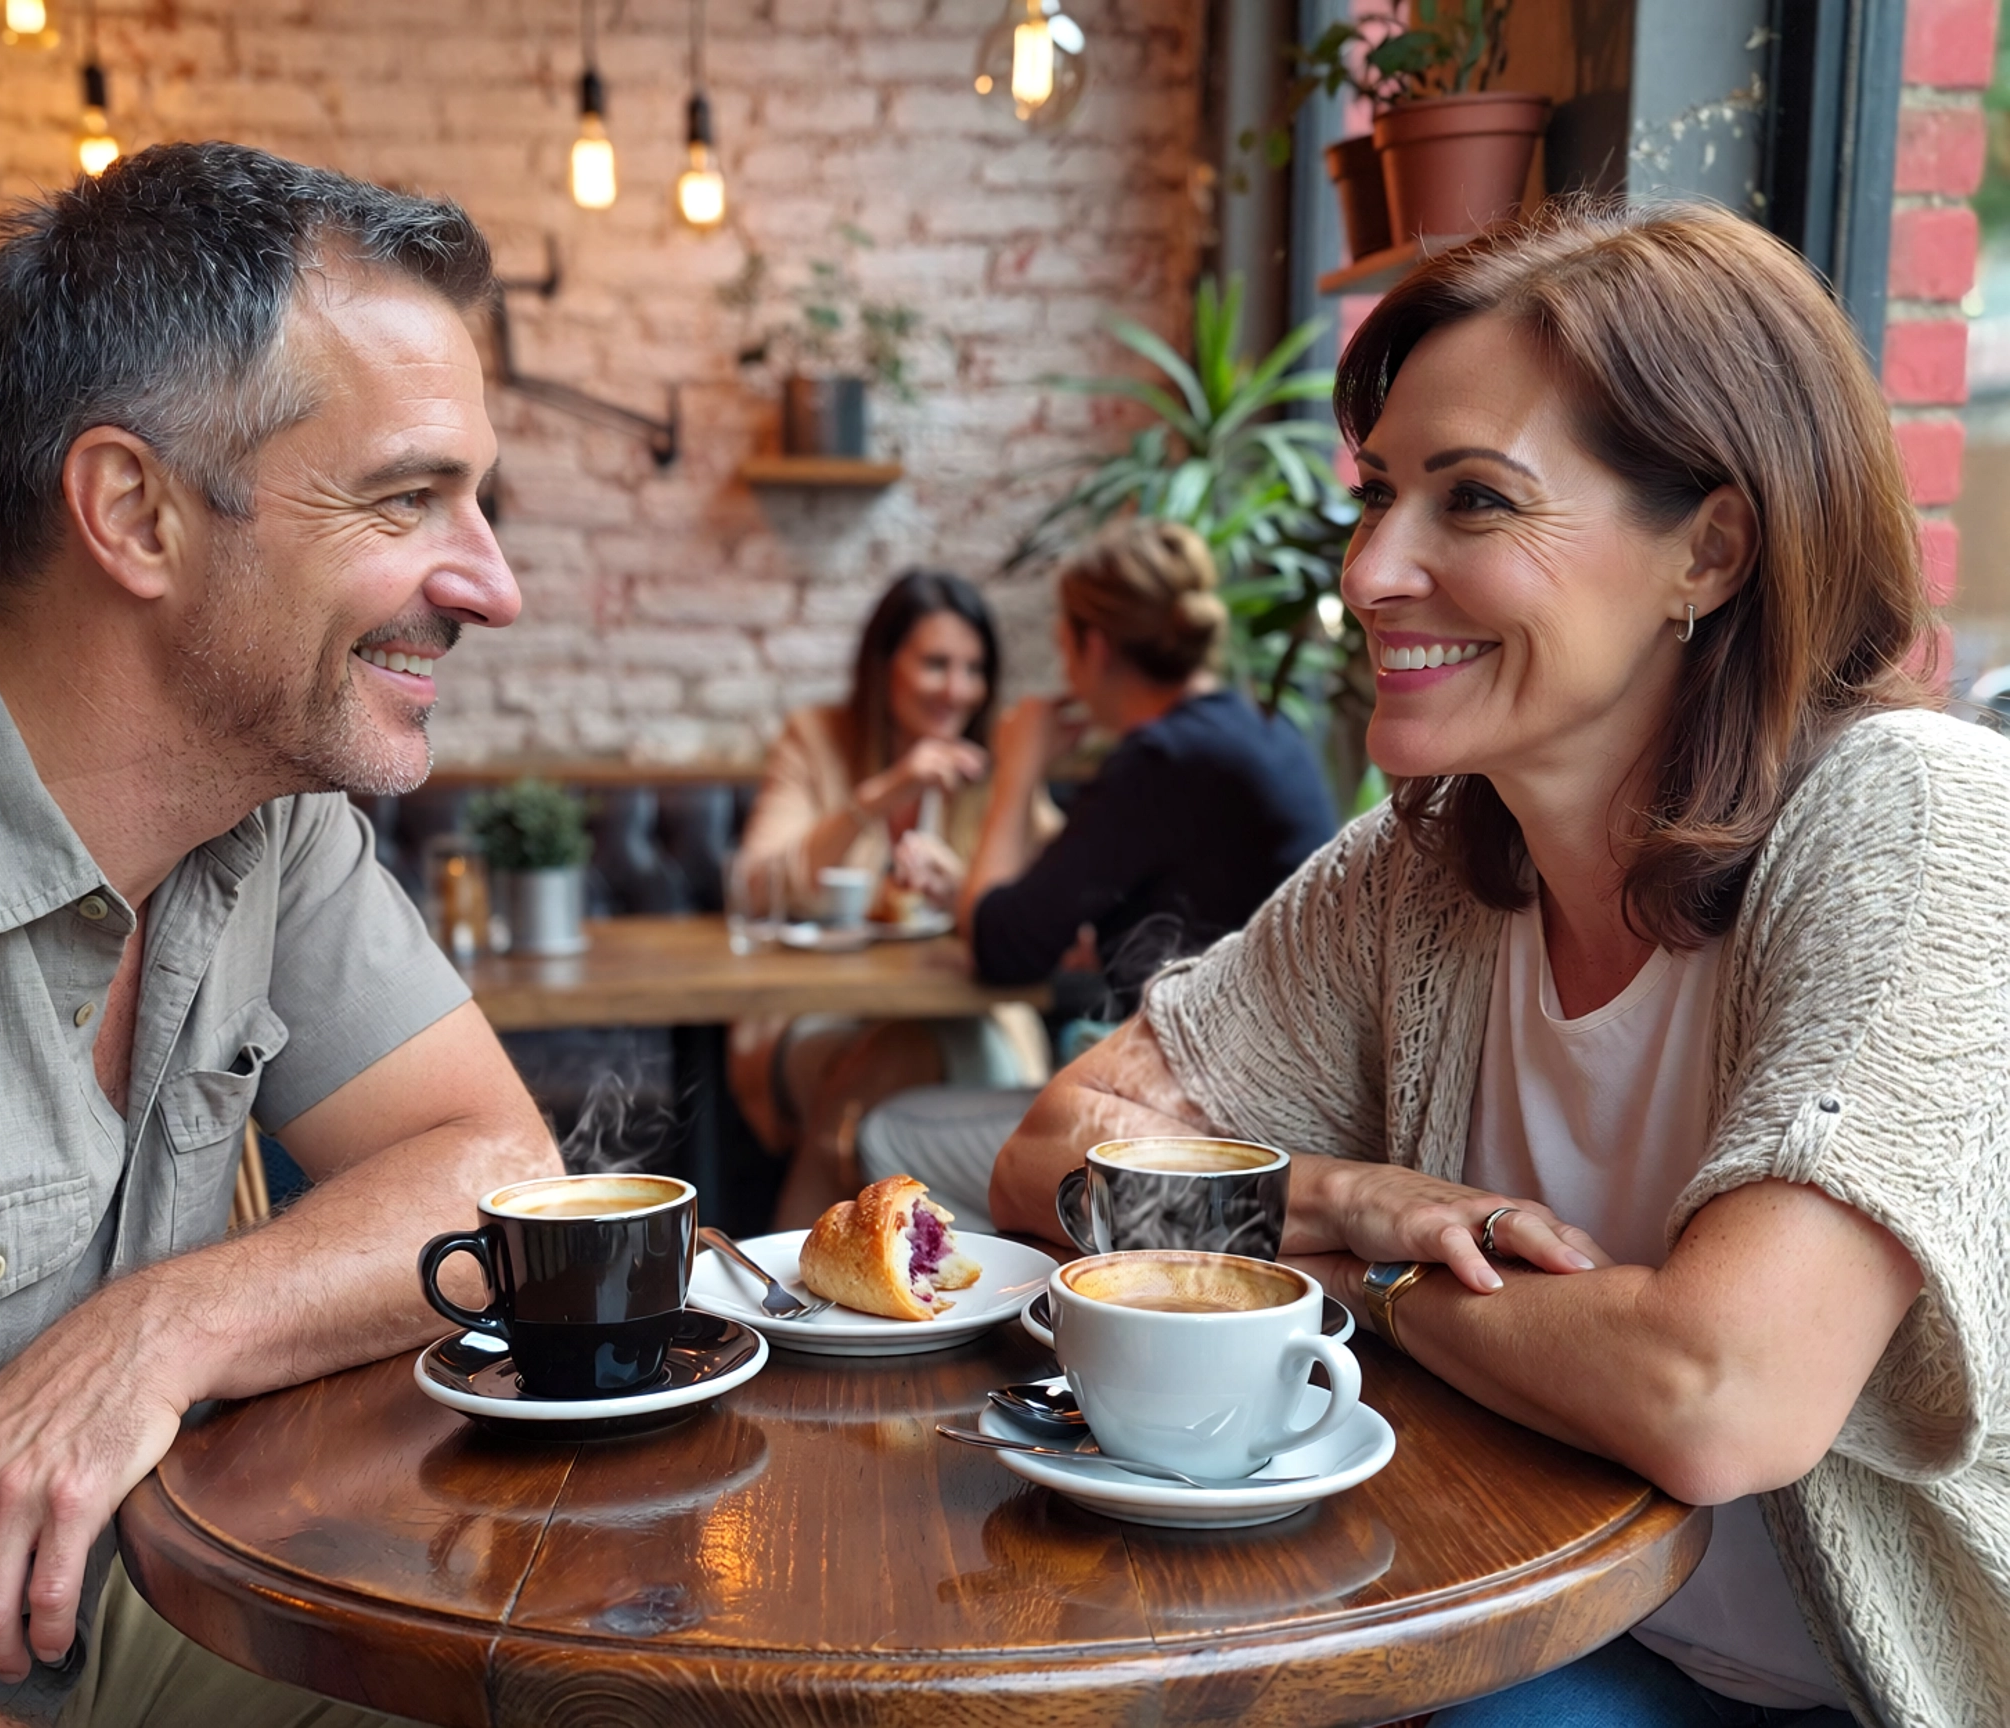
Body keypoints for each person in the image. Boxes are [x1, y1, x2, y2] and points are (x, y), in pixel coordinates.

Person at [993, 200, 2010, 1727]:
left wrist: (1365, 1279)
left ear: (1710, 550)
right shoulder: (1422, 865)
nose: (1371, 571)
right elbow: (1050, 1157)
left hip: (1854, 1693)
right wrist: (1340, 1197)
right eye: (1382, 493)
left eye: (1474, 501)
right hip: (1532, 1629)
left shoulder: (1914, 817)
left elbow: (1719, 1393)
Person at [0, 143, 562, 1726]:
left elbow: (501, 1171)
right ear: (135, 513)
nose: (490, 584)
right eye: (407, 497)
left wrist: (165, 1329)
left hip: (155, 1623)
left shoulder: (267, 800)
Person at [854, 518, 1338, 1228]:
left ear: (1095, 646)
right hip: (1255, 1107)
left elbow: (998, 943)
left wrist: (1019, 766)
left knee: (889, 1129)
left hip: (1219, 1140)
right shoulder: (1252, 731)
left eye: (1064, 651)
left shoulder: (1164, 760)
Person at [729, 570, 1057, 1230]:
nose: (956, 689)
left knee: (876, 1078)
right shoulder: (817, 738)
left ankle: (803, 1286)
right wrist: (880, 793)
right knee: (893, 1063)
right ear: (884, 666)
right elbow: (758, 883)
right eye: (935, 663)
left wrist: (966, 890)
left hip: (971, 1016)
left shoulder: (995, 765)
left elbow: (1049, 912)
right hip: (815, 1012)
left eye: (973, 669)